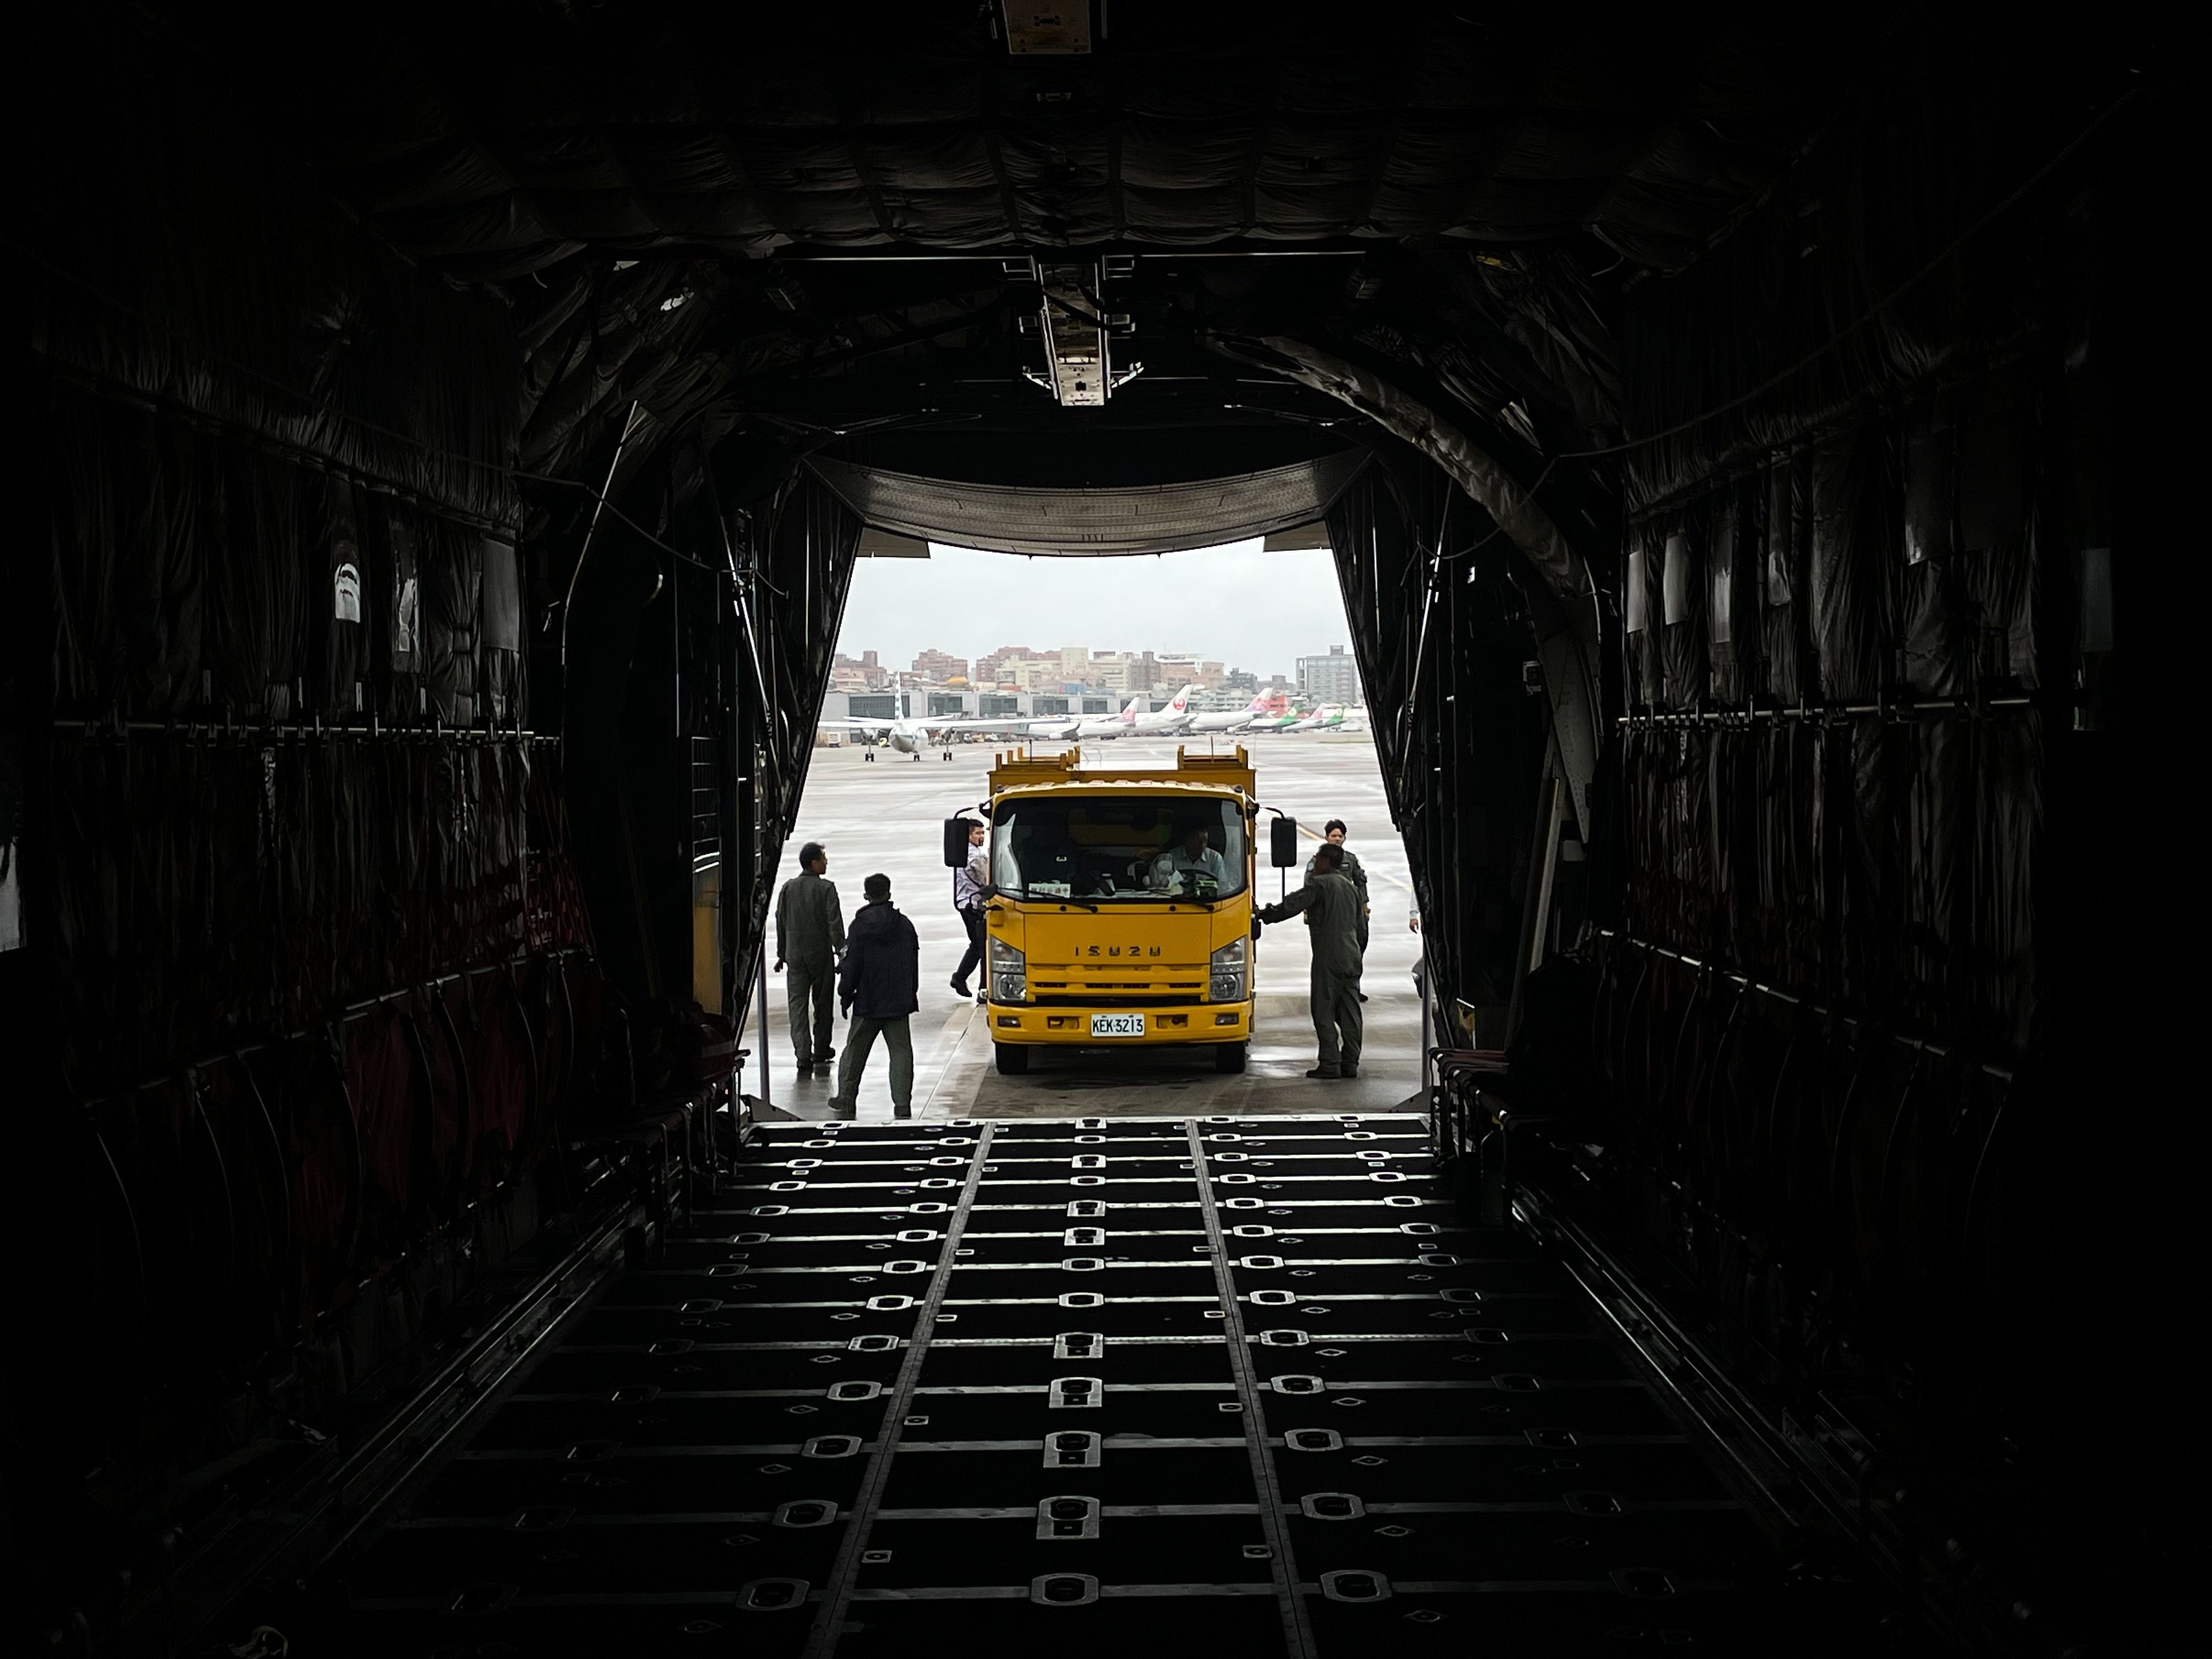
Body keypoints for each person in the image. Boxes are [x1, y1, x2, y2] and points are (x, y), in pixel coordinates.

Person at [1254, 842, 1363, 1078]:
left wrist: (1266, 915)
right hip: (1352, 954)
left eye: (1317, 859)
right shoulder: (1352, 888)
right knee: (1351, 1012)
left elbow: (1293, 905)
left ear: (1325, 861)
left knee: (1323, 1008)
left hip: (1328, 954)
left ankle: (1330, 1064)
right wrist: (1357, 954)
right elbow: (1361, 927)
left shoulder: (1320, 884)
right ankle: (1351, 1063)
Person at [834, 873, 921, 1119]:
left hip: (868, 1002)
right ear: (889, 893)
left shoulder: (860, 926)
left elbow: (851, 966)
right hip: (898, 1003)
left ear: (866, 895)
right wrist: (909, 995)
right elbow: (913, 964)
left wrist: (845, 993)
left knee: (854, 1051)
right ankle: (902, 1104)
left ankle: (846, 1098)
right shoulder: (905, 925)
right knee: (902, 1053)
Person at [774, 842, 845, 1074]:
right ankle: (822, 1048)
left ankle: (802, 1054)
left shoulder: (788, 888)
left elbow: (780, 921)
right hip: (820, 955)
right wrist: (842, 951)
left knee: (797, 1004)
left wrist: (781, 953)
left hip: (795, 956)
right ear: (814, 863)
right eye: (823, 859)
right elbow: (834, 923)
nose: (826, 863)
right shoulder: (826, 889)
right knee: (822, 1003)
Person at [1306, 819, 1372, 997]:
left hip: (1349, 911)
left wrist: (1364, 906)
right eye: (1334, 836)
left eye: (1340, 836)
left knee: (1357, 946)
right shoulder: (1318, 861)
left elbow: (1361, 882)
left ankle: (1353, 988)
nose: (1337, 839)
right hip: (1327, 913)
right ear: (1327, 837)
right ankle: (1328, 990)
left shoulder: (1350, 859)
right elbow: (1309, 885)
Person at [950, 816, 989, 1002]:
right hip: (975, 907)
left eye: (983, 833)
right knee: (984, 948)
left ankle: (960, 977)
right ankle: (983, 988)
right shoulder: (976, 857)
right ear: (968, 835)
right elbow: (987, 880)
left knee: (977, 945)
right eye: (978, 833)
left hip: (965, 904)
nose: (981, 837)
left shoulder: (961, 853)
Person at [1152, 819, 1227, 892]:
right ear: (1186, 839)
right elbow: (1162, 885)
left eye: (1205, 841)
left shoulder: (1215, 858)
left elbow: (1223, 886)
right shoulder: (1171, 857)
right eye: (1196, 840)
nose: (1202, 845)